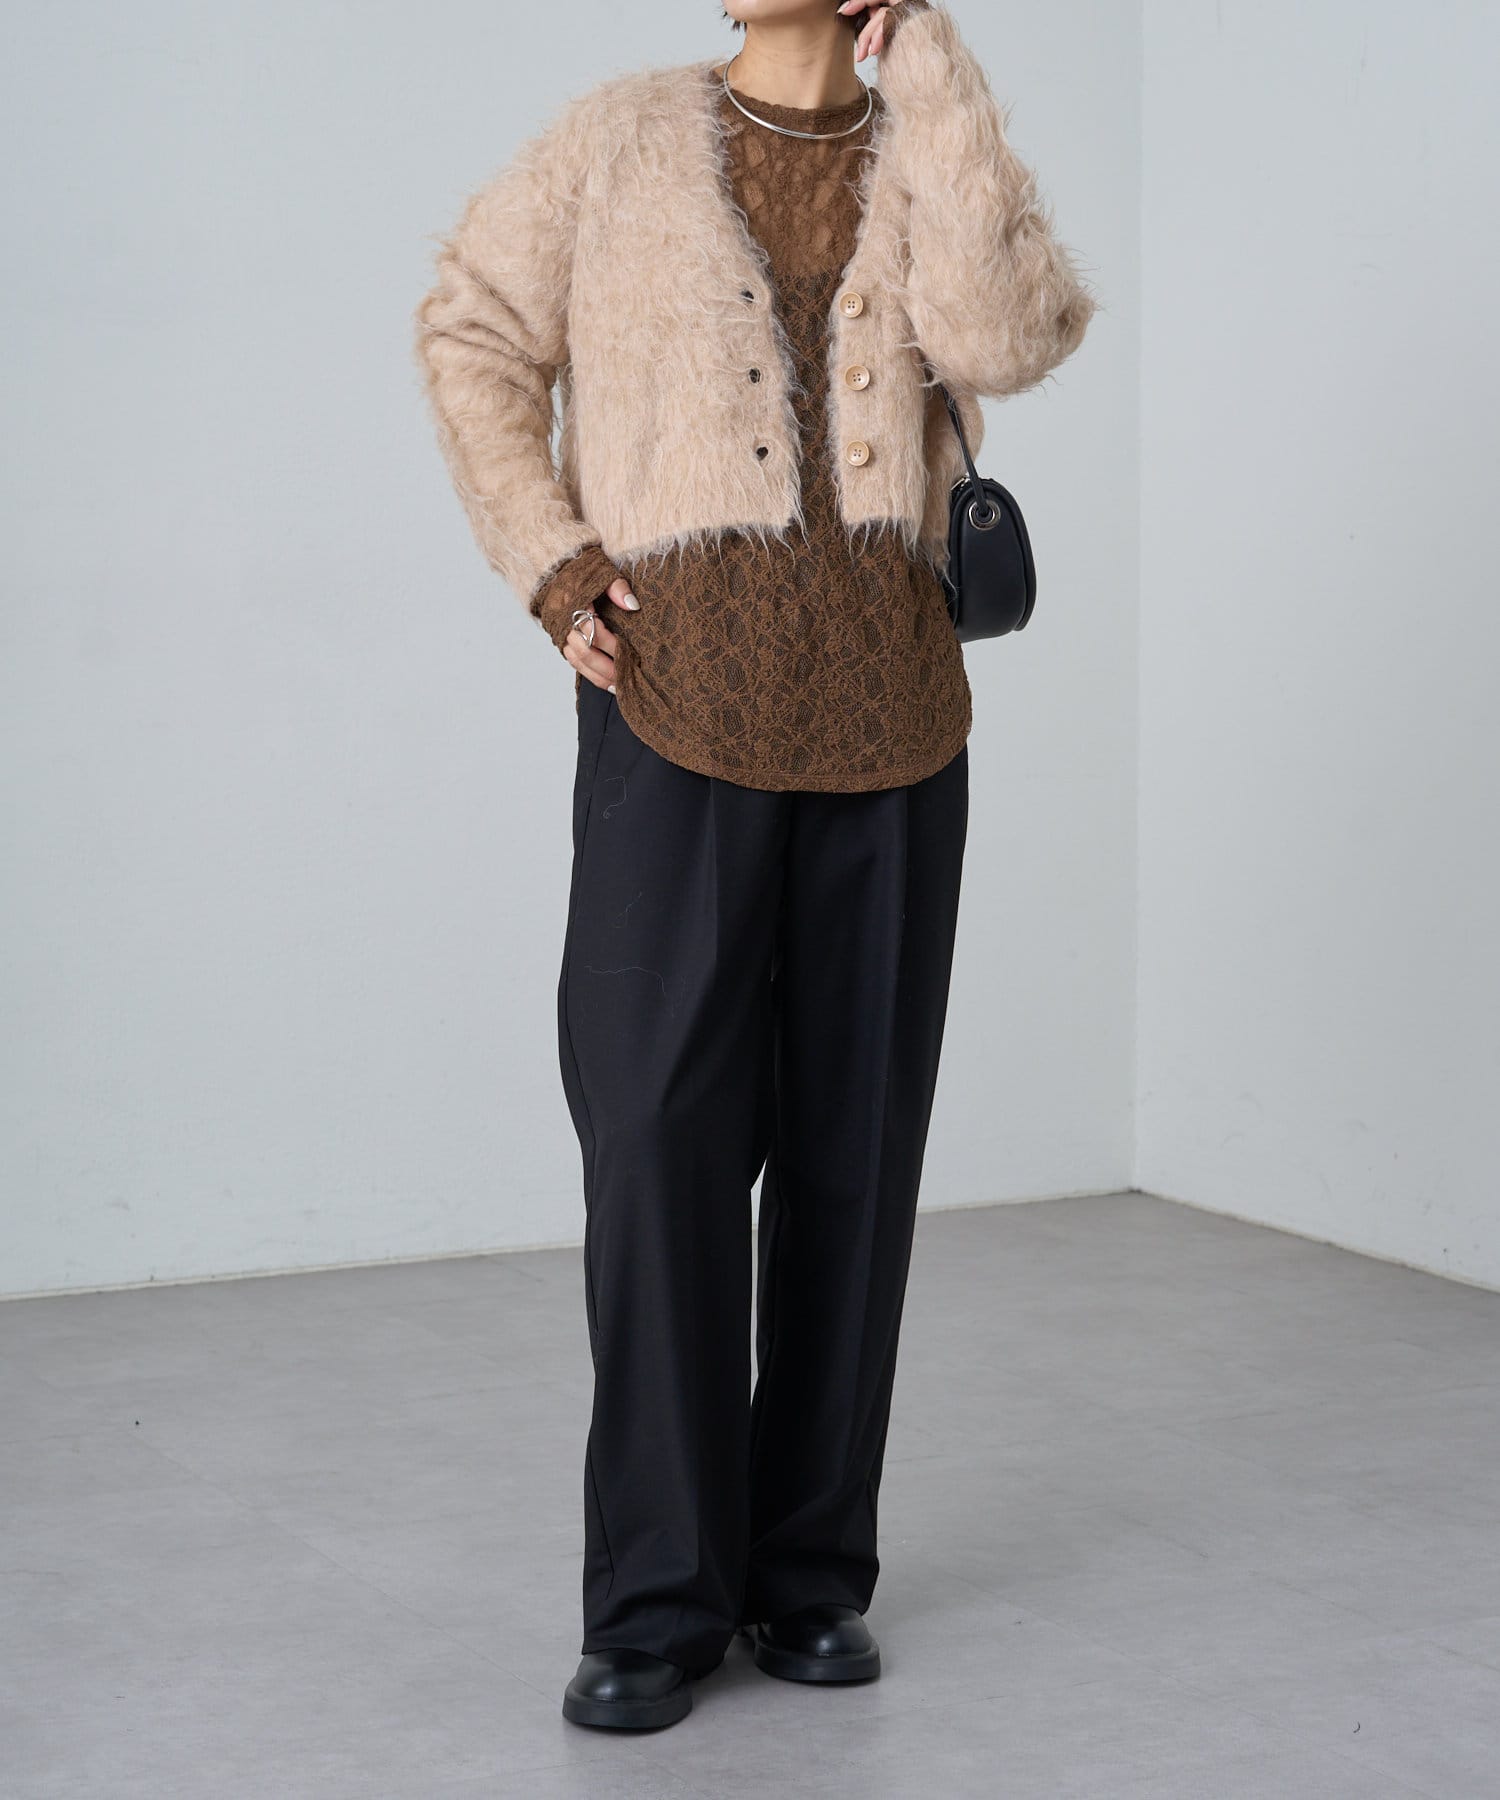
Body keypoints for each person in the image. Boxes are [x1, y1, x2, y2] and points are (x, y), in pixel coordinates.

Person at [414, 0, 1096, 1732]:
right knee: (656, 1144)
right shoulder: (618, 137)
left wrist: (932, 71)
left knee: (855, 1153)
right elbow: (472, 324)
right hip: (675, 711)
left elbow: (1016, 336)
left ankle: (809, 1577)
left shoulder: (925, 145)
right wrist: (553, 559)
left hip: (896, 725)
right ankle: (656, 1599)